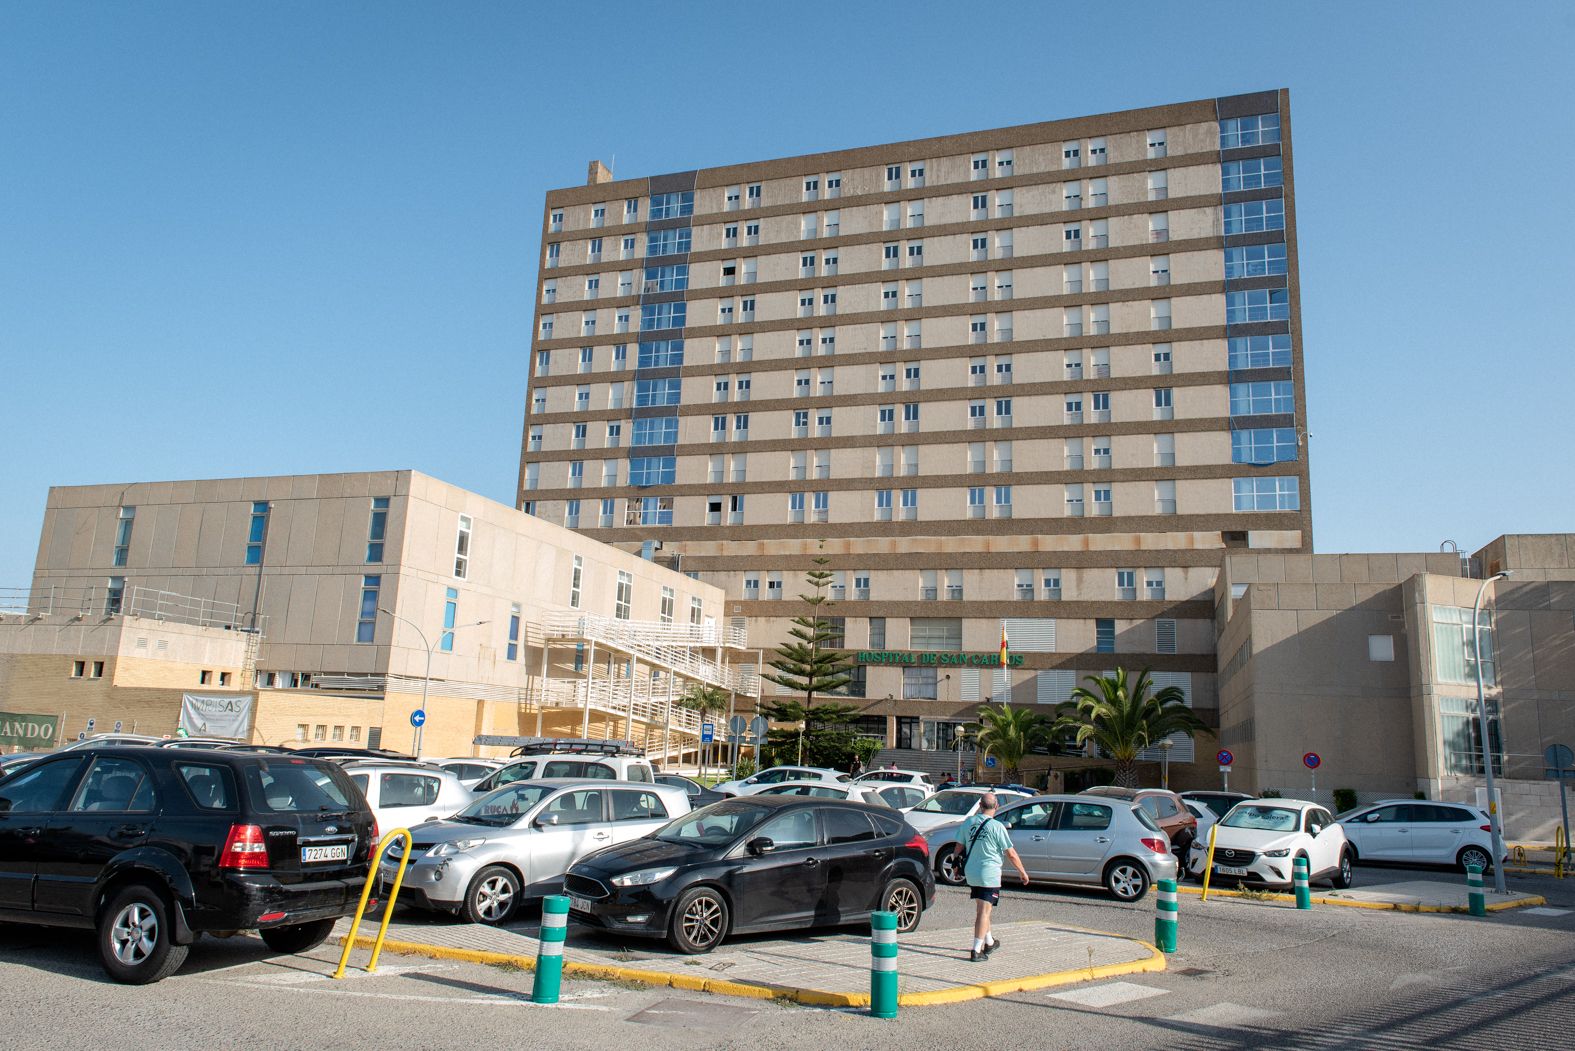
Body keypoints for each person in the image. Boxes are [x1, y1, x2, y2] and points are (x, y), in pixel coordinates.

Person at [956, 792, 1029, 961]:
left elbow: (959, 846)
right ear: (996, 807)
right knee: (984, 911)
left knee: (983, 908)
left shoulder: (969, 822)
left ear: (980, 806)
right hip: (989, 874)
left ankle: (989, 942)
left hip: (972, 873)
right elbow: (1011, 853)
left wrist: (955, 866)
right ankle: (976, 950)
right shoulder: (997, 827)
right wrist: (1022, 872)